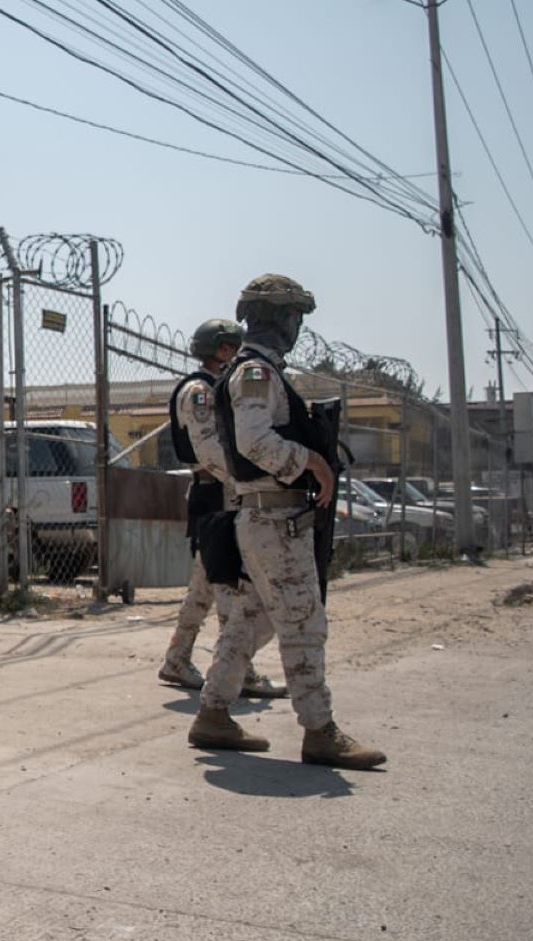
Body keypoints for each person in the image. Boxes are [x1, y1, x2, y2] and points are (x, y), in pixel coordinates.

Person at [187, 275, 386, 770]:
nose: (297, 326)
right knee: (303, 622)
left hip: (267, 516)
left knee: (250, 621)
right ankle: (320, 730)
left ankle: (213, 713)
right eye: (295, 317)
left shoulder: (254, 369)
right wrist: (311, 462)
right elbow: (254, 441)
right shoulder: (255, 372)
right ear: (283, 318)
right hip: (275, 519)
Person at [157, 317, 284, 699]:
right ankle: (238, 671)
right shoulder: (200, 391)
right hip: (216, 497)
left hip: (220, 496)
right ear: (224, 349)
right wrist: (245, 482)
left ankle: (177, 659)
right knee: (232, 587)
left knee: (202, 591)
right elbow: (209, 450)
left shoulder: (215, 387)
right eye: (235, 348)